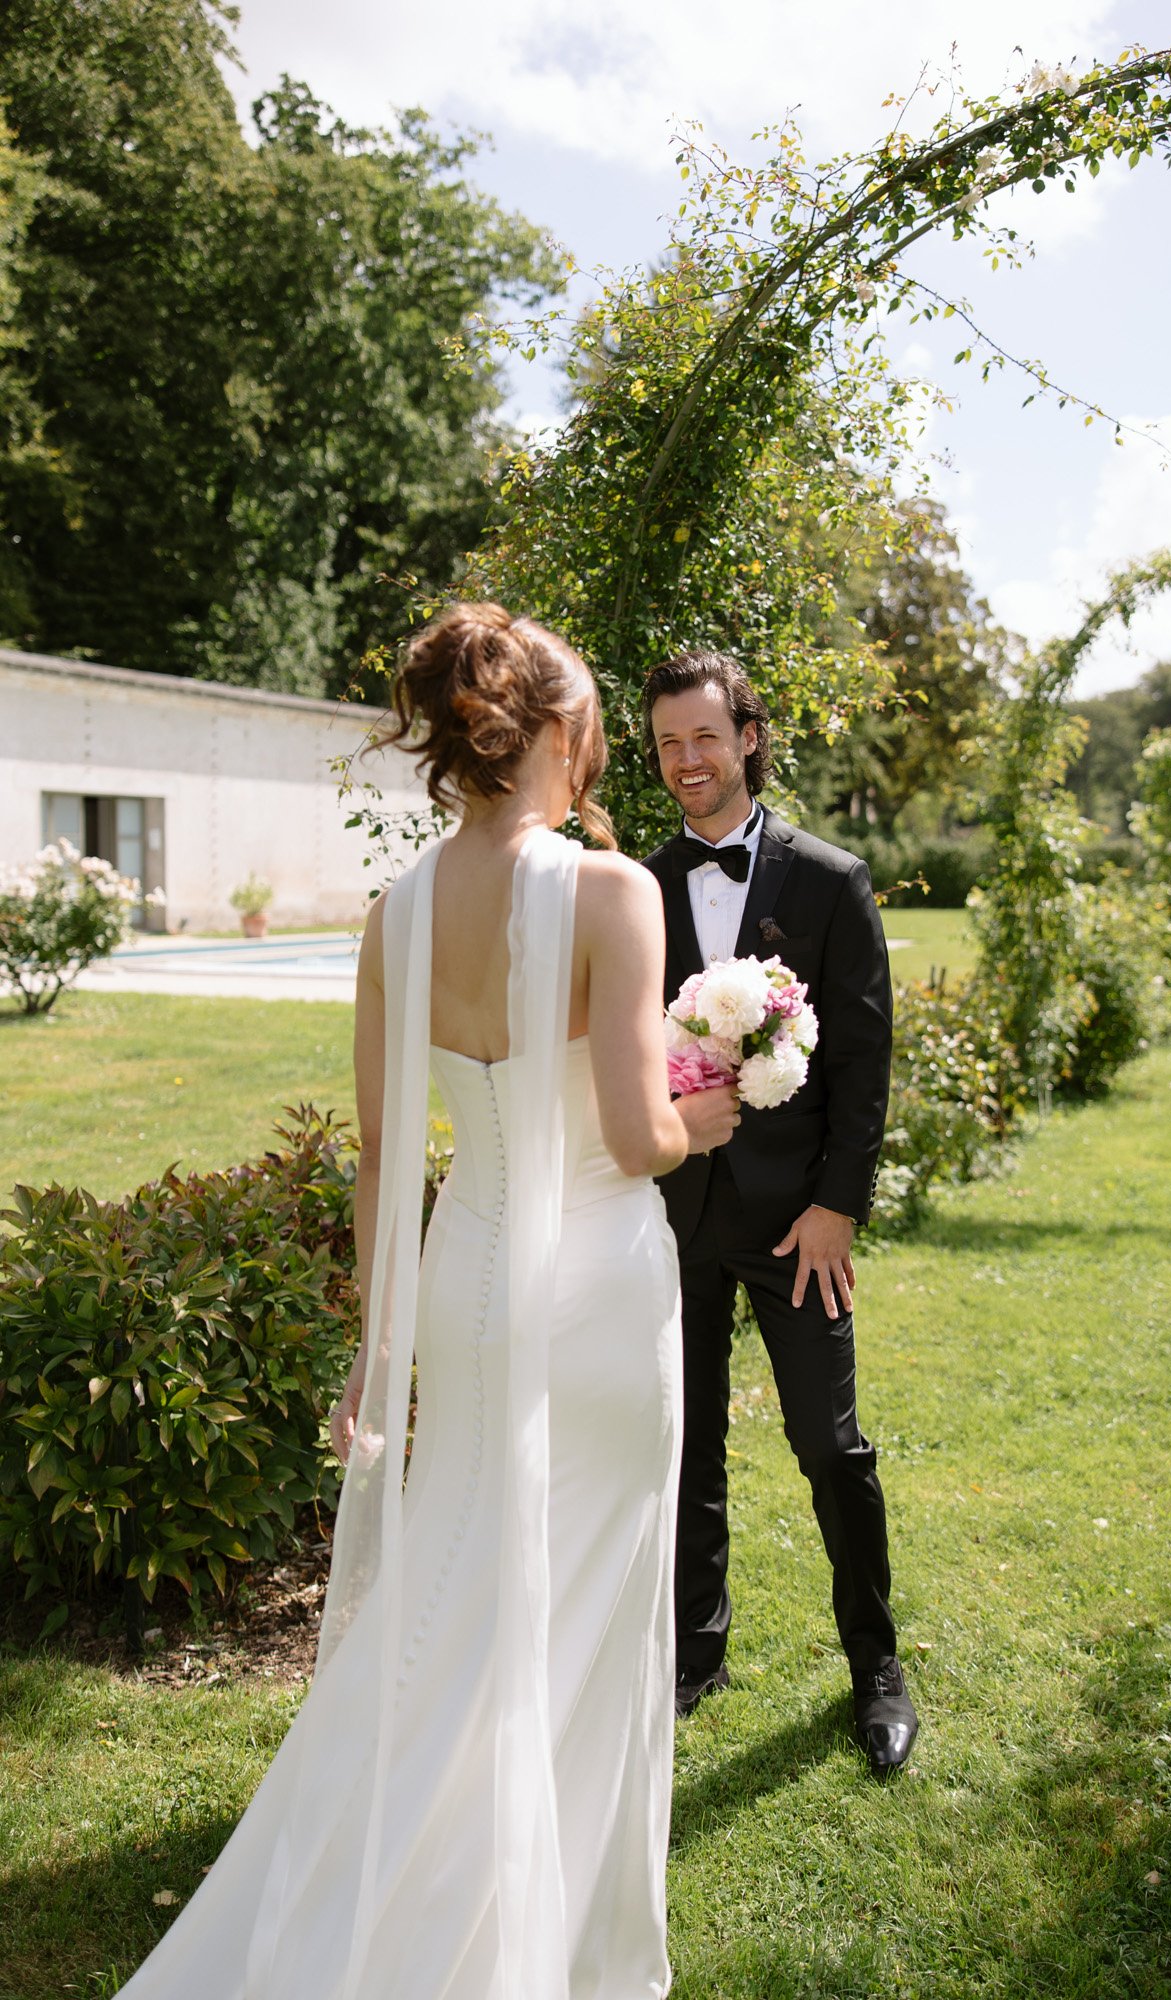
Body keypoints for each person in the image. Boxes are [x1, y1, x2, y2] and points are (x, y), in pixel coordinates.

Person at [115, 604, 739, 2000]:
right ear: (556, 731)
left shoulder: (397, 907)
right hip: (590, 1283)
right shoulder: (610, 887)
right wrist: (733, 1103)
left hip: (462, 1272)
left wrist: (375, 1347)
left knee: (462, 1590)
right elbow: (640, 1138)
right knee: (578, 1603)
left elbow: (388, 1157)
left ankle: (410, 1885)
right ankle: (541, 1941)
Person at [641, 648, 918, 1779]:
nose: (685, 762)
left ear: (748, 735)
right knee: (681, 1443)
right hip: (669, 1218)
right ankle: (690, 1657)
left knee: (829, 1443)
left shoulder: (828, 878)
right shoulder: (638, 884)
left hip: (800, 1223)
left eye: (703, 737)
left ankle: (878, 1668)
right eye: (665, 744)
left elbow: (861, 1058)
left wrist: (836, 1209)